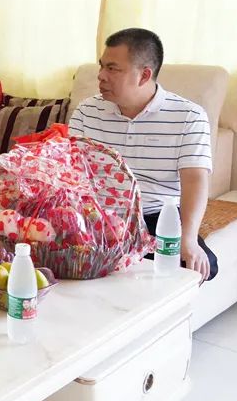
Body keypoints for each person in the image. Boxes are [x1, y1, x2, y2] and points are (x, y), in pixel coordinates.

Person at [68, 27, 218, 281]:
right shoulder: (86, 111)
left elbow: (195, 179)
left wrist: (189, 239)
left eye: (112, 69)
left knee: (200, 266)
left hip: (155, 217)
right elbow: (69, 172)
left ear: (144, 75)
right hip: (98, 217)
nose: (101, 76)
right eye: (102, 66)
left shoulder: (189, 117)